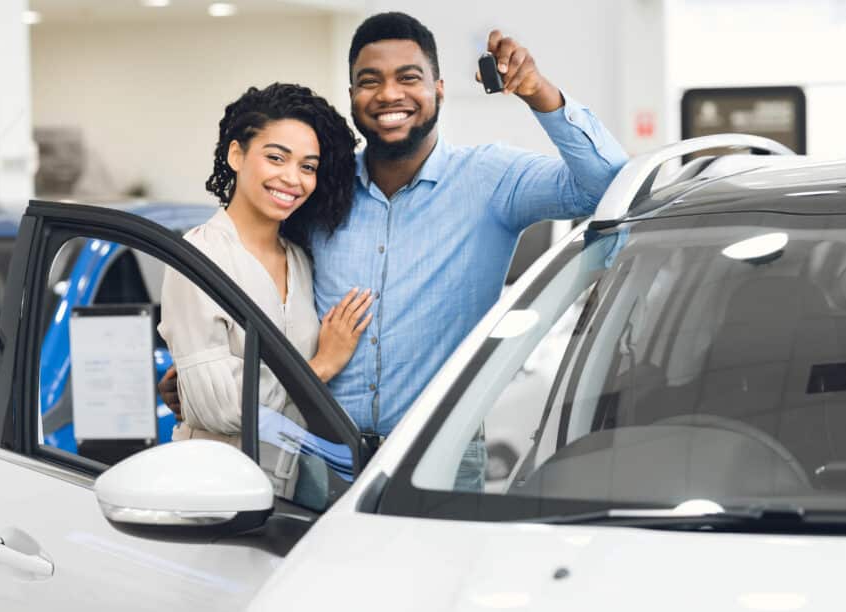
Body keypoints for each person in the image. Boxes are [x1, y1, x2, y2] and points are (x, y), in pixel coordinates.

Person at [163, 12, 628, 491]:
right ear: (352, 98)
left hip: (438, 455)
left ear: (439, 88)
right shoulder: (323, 190)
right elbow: (266, 288)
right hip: (319, 454)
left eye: (409, 78)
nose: (388, 94)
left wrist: (539, 93)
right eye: (370, 81)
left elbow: (609, 183)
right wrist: (208, 373)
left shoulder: (490, 180)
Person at [157, 83, 373, 500]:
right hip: (211, 492)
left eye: (308, 167)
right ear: (236, 155)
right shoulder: (201, 256)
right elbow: (222, 409)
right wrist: (322, 366)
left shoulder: (299, 259)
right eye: (276, 158)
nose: (292, 178)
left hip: (287, 493)